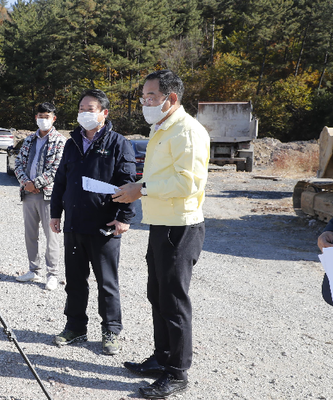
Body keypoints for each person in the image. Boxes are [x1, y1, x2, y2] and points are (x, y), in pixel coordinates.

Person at [112, 69, 210, 399]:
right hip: (162, 225)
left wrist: (141, 190)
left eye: (151, 97)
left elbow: (188, 184)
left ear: (171, 98)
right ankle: (161, 357)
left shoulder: (187, 131)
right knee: (157, 295)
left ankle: (178, 372)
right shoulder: (162, 128)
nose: (145, 102)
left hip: (180, 228)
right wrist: (142, 189)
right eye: (144, 97)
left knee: (173, 300)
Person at [50, 89, 136, 355]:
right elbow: (61, 181)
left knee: (106, 282)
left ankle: (111, 330)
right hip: (75, 223)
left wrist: (124, 218)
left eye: (91, 109)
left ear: (104, 113)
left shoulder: (118, 143)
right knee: (75, 281)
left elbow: (128, 184)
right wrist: (55, 213)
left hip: (104, 225)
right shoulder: (72, 142)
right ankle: (75, 327)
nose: (84, 113)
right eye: (81, 109)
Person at [14, 102, 66, 290]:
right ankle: (33, 270)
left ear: (54, 118)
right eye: (40, 116)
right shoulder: (29, 140)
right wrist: (26, 183)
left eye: (47, 116)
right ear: (36, 117)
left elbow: (57, 168)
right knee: (30, 235)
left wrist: (36, 183)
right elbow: (18, 162)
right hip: (27, 194)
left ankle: (52, 274)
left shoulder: (60, 140)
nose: (43, 120)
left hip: (48, 195)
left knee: (51, 236)